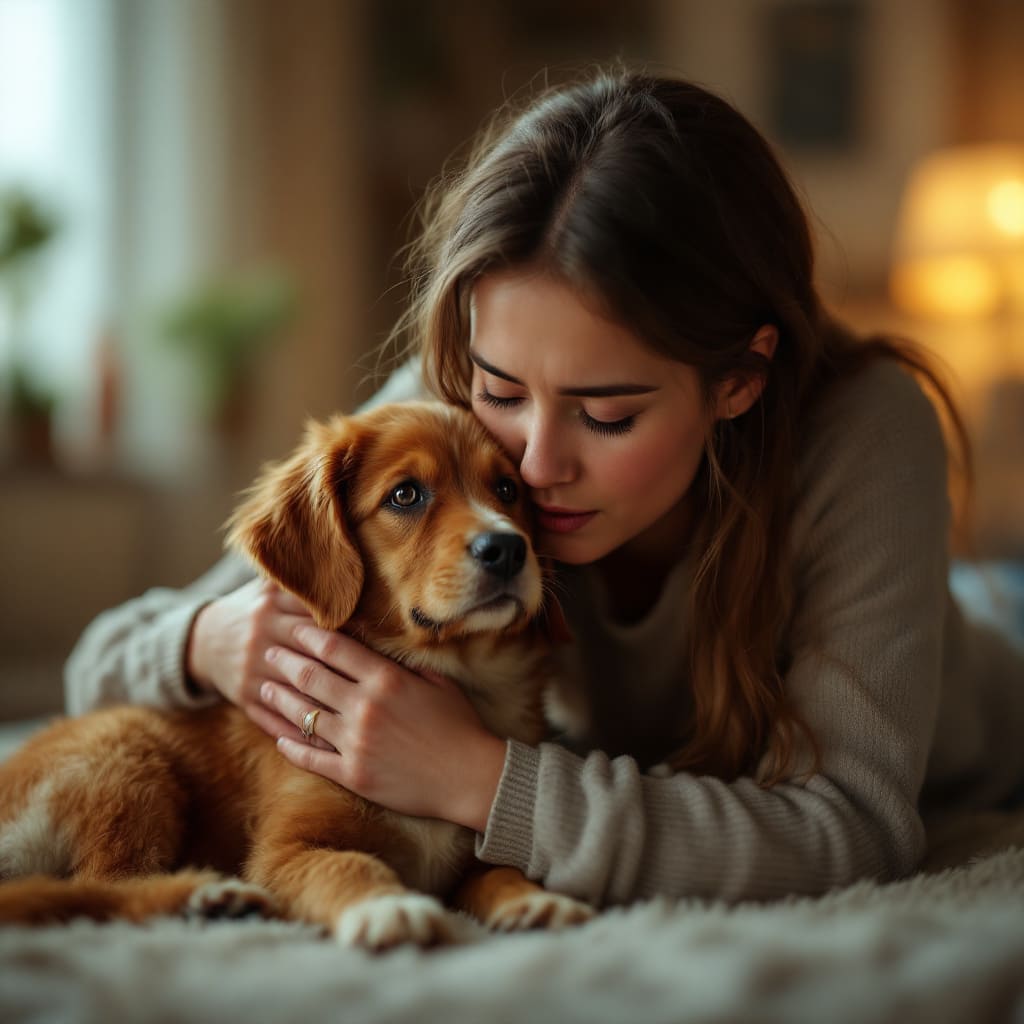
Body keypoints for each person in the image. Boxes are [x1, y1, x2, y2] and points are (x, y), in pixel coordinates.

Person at [64, 69, 1024, 908]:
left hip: (986, 721)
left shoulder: (861, 428)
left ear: (739, 380)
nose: (530, 466)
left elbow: (852, 829)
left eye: (607, 416)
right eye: (501, 395)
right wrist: (215, 637)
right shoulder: (457, 407)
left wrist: (481, 780)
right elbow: (99, 664)